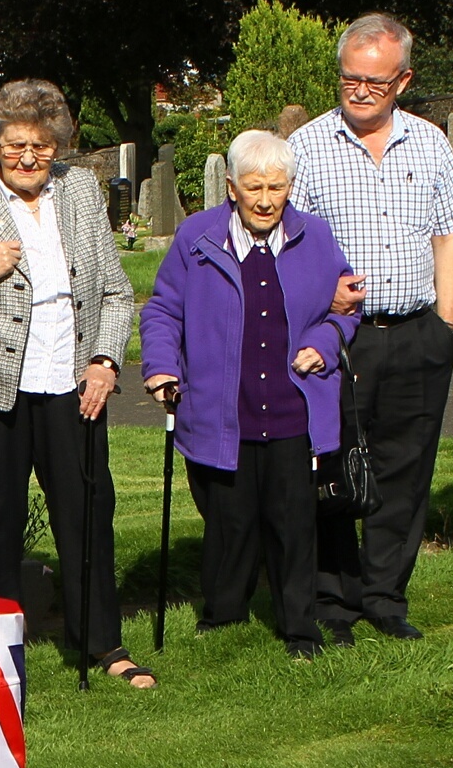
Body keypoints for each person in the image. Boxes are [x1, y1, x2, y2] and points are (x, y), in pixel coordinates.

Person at [0, 79, 147, 685]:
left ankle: (103, 644)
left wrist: (104, 359)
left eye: (41, 147)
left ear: (58, 147)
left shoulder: (80, 192)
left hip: (73, 383)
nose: (28, 159)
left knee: (89, 511)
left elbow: (116, 291)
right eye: (15, 145)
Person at [288, 14, 453, 643]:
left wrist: (445, 323)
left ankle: (385, 596)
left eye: (375, 81)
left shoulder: (428, 144)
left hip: (417, 331)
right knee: (334, 465)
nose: (361, 90)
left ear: (403, 79)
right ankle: (333, 601)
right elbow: (287, 245)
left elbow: (450, 232)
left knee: (406, 466)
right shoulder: (309, 146)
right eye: (350, 79)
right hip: (340, 335)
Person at [142, 131, 358, 657]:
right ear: (232, 188)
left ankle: (299, 629)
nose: (265, 200)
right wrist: (162, 368)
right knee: (229, 521)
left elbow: (345, 310)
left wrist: (323, 342)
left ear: (290, 187)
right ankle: (223, 616)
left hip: (292, 408)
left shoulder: (317, 236)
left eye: (277, 187)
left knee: (292, 524)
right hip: (222, 410)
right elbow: (163, 310)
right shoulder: (198, 237)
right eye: (254, 187)